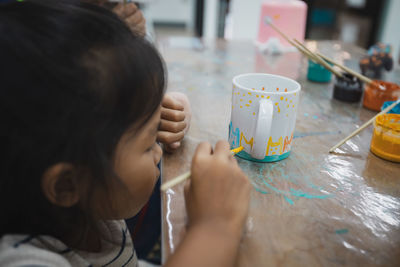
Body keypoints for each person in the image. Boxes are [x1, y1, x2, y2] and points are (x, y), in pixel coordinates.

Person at [0, 1, 251, 267]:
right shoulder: (23, 260)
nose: (158, 152)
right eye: (148, 144)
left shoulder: (93, 206)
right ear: (66, 185)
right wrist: (215, 227)